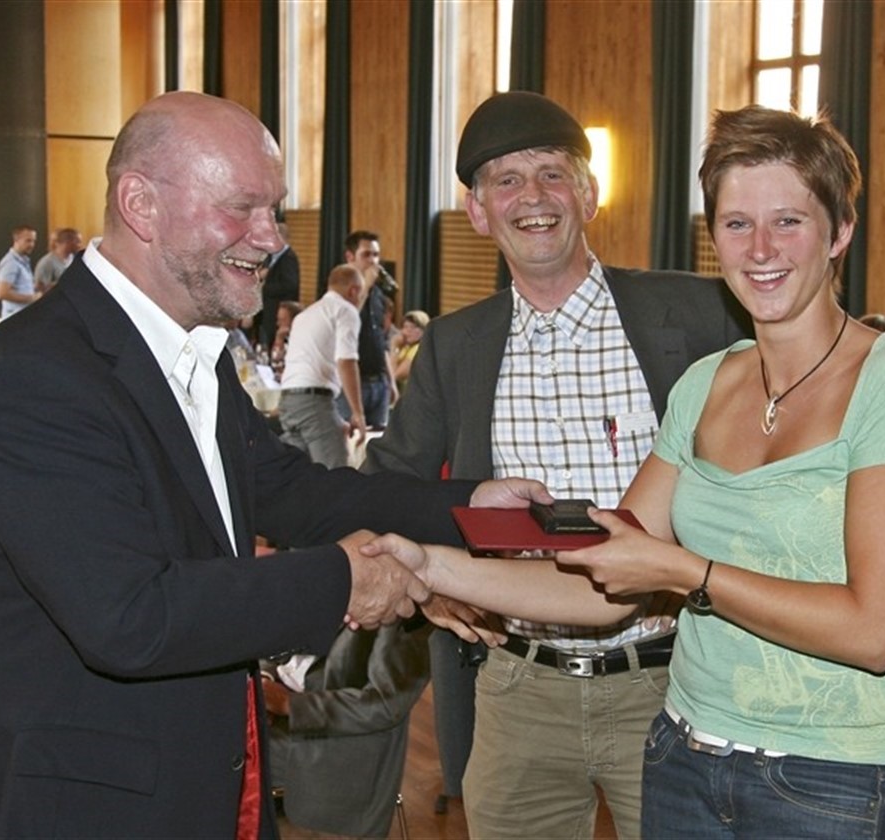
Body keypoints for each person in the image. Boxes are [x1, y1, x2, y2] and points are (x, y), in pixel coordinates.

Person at [0, 90, 546, 839]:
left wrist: (469, 506)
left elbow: (290, 489)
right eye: (241, 209)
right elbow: (129, 616)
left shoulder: (192, 352)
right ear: (141, 204)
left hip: (210, 784)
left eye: (275, 211)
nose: (272, 239)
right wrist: (345, 578)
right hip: (87, 808)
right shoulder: (34, 373)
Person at [370, 104, 885, 839]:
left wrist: (684, 571)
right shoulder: (707, 384)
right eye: (737, 224)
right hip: (684, 750)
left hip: (824, 774)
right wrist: (425, 566)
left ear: (839, 231)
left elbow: (876, 632)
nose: (760, 248)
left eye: (788, 221)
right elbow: (600, 582)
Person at [363, 90, 750, 838]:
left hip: (675, 681)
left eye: (552, 174)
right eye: (506, 181)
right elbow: (390, 486)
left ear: (589, 194)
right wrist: (428, 586)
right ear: (478, 212)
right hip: (519, 692)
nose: (532, 197)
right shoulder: (454, 346)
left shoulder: (700, 314)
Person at [264, 620, 431, 838]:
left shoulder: (407, 615)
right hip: (285, 714)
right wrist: (263, 680)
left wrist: (289, 704)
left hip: (338, 741)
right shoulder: (307, 599)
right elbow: (265, 642)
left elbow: (384, 706)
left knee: (221, 748)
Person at [277, 265, 366, 468]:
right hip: (314, 402)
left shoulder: (304, 315)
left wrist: (334, 420)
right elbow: (346, 361)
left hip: (289, 401)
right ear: (353, 291)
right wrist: (358, 413)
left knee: (297, 475)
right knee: (335, 476)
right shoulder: (345, 310)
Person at [339, 231, 395, 430]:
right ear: (350, 257)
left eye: (376, 255)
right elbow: (346, 321)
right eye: (366, 255)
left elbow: (382, 340)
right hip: (353, 384)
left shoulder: (378, 295)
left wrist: (391, 381)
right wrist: (366, 286)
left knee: (379, 441)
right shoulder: (340, 290)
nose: (373, 261)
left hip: (379, 383)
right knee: (351, 441)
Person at [254, 219, 301, 349]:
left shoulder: (289, 258)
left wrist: (264, 288)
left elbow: (290, 285)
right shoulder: (270, 257)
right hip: (267, 312)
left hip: (279, 312)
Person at [0, 224, 39, 317]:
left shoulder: (23, 261)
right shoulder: (10, 262)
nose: (32, 245)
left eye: (33, 241)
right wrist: (32, 298)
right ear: (16, 240)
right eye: (28, 241)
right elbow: (1, 293)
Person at [33, 227, 83, 293]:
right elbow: (40, 288)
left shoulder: (73, 259)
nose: (80, 245)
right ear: (67, 242)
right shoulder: (47, 262)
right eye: (77, 242)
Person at [390, 309, 428, 393]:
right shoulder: (406, 347)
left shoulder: (418, 349)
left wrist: (394, 346)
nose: (407, 331)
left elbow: (394, 375)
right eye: (405, 327)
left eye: (413, 327)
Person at [268, 300, 302, 380]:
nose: (277, 323)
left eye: (282, 320)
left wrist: (279, 339)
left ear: (294, 320)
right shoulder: (285, 337)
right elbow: (275, 364)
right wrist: (279, 340)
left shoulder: (303, 341)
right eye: (278, 319)